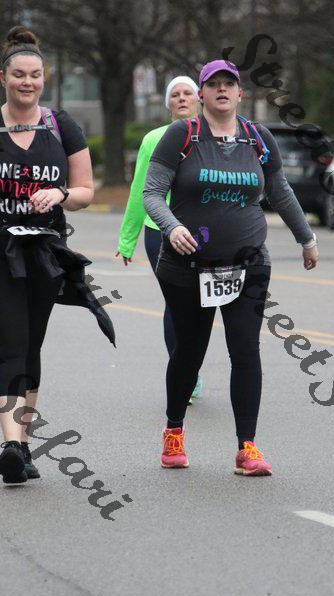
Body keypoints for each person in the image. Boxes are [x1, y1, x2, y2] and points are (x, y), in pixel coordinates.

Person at [143, 59, 318, 475]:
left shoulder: (257, 138)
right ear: (201, 93)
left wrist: (306, 238)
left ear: (240, 94)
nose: (221, 90)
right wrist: (172, 227)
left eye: (229, 84)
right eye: (213, 84)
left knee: (245, 349)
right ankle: (174, 430)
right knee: (189, 350)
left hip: (247, 264)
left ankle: (247, 447)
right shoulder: (181, 135)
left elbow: (280, 191)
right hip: (188, 265)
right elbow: (151, 193)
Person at [0, 26, 114, 485]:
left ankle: (22, 444)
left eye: (35, 75)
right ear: (3, 77)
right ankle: (10, 444)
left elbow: (85, 191)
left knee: (31, 344)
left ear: (44, 79)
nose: (27, 82)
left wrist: (59, 194)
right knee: (9, 341)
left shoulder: (61, 126)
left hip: (44, 252)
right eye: (18, 75)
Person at [117, 76, 203, 400]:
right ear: (168, 103)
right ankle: (185, 374)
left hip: (203, 233)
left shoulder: (210, 136)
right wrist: (127, 240)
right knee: (176, 302)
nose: (181, 98)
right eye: (175, 94)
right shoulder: (154, 139)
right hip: (160, 232)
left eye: (187, 93)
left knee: (200, 305)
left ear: (198, 98)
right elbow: (140, 191)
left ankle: (190, 363)